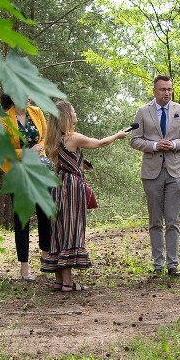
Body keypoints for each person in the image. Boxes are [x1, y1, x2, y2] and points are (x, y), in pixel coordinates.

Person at [41, 100, 128, 291]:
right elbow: (100, 143)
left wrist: (80, 162)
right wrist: (118, 135)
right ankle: (68, 283)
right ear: (66, 116)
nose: (75, 113)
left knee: (59, 230)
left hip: (58, 186)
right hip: (72, 187)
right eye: (73, 111)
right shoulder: (73, 137)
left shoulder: (52, 140)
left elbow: (63, 161)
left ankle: (59, 280)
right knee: (72, 230)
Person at [130, 75, 180, 277]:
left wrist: (174, 145)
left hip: (176, 171)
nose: (167, 93)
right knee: (155, 221)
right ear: (154, 91)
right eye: (162, 89)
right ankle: (158, 265)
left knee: (173, 220)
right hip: (152, 172)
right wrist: (154, 146)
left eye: (169, 89)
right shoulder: (142, 111)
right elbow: (134, 141)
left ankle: (173, 264)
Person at [0, 93, 52, 282]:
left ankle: (46, 258)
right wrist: (27, 152)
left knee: (45, 213)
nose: (28, 96)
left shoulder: (36, 112)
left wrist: (40, 151)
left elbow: (44, 136)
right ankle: (25, 267)